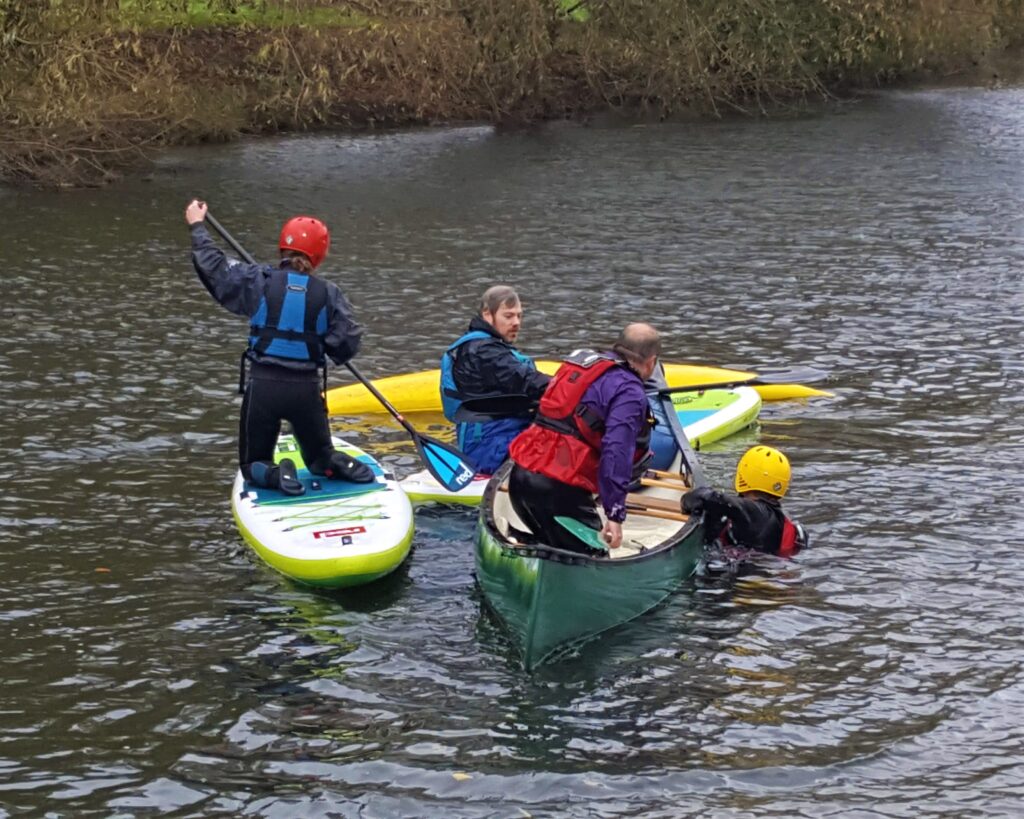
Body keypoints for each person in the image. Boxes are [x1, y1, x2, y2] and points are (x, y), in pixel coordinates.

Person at [185, 199, 374, 496]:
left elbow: (214, 267)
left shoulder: (257, 280)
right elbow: (346, 345)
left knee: (253, 464)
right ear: (319, 255)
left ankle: (274, 474)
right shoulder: (329, 294)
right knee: (317, 456)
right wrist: (320, 339)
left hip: (264, 389)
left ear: (281, 248)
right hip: (306, 393)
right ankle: (331, 461)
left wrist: (198, 225)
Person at [506, 323, 660, 554]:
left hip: (520, 479)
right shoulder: (630, 391)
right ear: (652, 362)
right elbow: (616, 451)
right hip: (557, 490)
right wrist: (614, 514)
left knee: (552, 546)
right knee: (594, 556)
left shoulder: (581, 366)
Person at [440, 285, 551, 475]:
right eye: (508, 316)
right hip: (488, 449)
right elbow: (526, 380)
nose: (516, 322)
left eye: (519, 316)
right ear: (487, 315)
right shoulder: (483, 351)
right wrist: (572, 387)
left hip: (505, 436)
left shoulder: (488, 346)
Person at [681, 445, 808, 557]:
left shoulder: (754, 511)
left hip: (742, 576)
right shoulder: (779, 517)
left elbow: (707, 497)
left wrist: (686, 501)